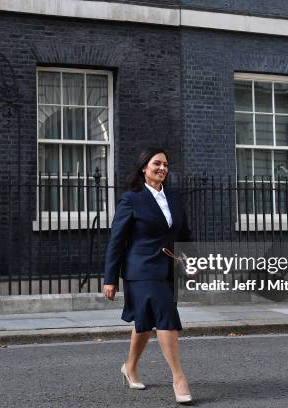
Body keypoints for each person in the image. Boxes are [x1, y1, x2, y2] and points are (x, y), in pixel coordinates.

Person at [103, 147, 193, 404]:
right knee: (165, 314)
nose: (162, 168)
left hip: (167, 269)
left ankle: (129, 366)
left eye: (166, 164)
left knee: (144, 321)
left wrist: (191, 260)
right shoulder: (132, 199)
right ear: (144, 167)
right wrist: (110, 278)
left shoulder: (174, 198)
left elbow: (184, 234)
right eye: (157, 163)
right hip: (140, 269)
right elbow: (116, 241)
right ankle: (179, 378)